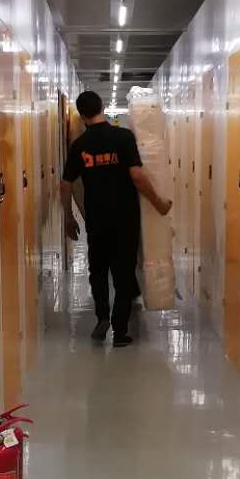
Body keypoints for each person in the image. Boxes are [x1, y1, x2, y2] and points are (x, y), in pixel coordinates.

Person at [60, 90, 172, 347]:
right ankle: (120, 331)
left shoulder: (79, 145)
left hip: (96, 218)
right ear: (102, 107)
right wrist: (159, 203)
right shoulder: (124, 137)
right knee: (123, 272)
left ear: (82, 115)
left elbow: (65, 185)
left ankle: (102, 317)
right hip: (125, 218)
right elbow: (137, 176)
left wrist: (68, 218)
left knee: (98, 270)